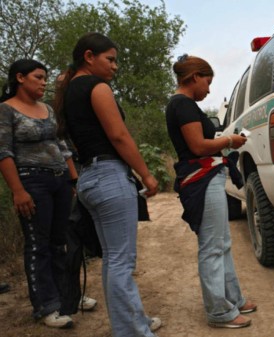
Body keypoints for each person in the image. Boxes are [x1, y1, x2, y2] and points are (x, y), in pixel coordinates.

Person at [54, 32, 161, 337]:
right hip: (110, 176)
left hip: (90, 177)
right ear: (89, 56)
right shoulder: (97, 87)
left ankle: (132, 323)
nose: (115, 67)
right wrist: (147, 174)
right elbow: (118, 136)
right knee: (121, 261)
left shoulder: (71, 91)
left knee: (114, 260)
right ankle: (133, 331)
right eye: (110, 59)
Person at [165, 54, 256, 329]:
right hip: (202, 178)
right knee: (212, 247)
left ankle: (233, 299)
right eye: (207, 81)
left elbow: (201, 142)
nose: (209, 88)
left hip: (208, 176)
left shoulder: (186, 105)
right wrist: (229, 140)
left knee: (221, 244)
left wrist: (221, 140)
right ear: (193, 77)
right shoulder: (182, 105)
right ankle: (219, 311)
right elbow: (197, 146)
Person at [0, 59, 78, 328]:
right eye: (39, 77)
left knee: (60, 241)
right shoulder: (6, 110)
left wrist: (73, 179)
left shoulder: (46, 109)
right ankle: (46, 306)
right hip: (32, 182)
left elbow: (61, 144)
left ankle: (66, 298)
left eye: (45, 77)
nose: (44, 82)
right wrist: (18, 191)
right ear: (20, 78)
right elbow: (4, 152)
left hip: (59, 180)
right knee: (38, 244)